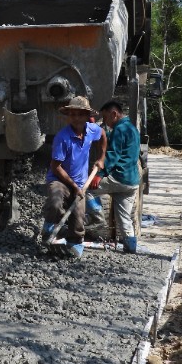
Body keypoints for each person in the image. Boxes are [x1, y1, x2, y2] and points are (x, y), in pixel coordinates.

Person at [42, 96, 107, 259]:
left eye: (80, 114)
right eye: (72, 114)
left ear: (87, 116)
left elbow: (103, 134)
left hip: (80, 181)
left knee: (78, 218)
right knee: (56, 203)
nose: (76, 118)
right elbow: (55, 167)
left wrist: (101, 157)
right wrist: (74, 186)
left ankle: (74, 244)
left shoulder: (92, 130)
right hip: (60, 179)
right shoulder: (62, 138)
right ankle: (49, 227)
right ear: (68, 116)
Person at [92, 100, 141, 253]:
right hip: (132, 181)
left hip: (119, 177)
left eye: (105, 118)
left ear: (114, 114)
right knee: (124, 217)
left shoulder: (119, 129)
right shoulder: (131, 128)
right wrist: (98, 129)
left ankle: (97, 218)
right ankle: (130, 247)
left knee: (84, 190)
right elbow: (116, 143)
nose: (105, 122)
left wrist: (99, 175)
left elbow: (112, 155)